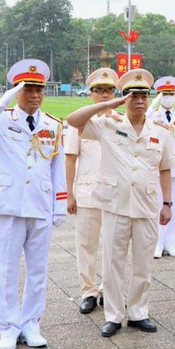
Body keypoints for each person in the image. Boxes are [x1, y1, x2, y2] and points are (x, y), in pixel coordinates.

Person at [0, 59, 66, 349]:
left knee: (37, 270)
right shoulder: (0, 119)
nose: (35, 95)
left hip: (41, 205)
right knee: (6, 270)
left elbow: (58, 167)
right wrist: (1, 101)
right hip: (7, 206)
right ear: (17, 91)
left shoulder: (53, 125)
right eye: (27, 89)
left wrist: (60, 204)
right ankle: (7, 327)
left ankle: (32, 323)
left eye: (39, 90)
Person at [66, 69, 174, 338]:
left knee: (143, 264)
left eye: (143, 95)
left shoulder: (160, 131)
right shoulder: (108, 125)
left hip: (146, 205)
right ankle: (113, 315)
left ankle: (138, 313)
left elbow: (164, 169)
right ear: (124, 98)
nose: (139, 100)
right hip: (115, 204)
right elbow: (73, 120)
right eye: (133, 95)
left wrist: (167, 203)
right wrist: (108, 104)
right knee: (112, 264)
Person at [65, 67, 117, 315]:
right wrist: (69, 193)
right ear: (91, 94)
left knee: (113, 246)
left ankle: (109, 290)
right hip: (86, 193)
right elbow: (70, 158)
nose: (105, 95)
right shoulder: (80, 122)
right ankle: (88, 290)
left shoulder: (121, 121)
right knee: (86, 246)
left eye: (109, 90)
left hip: (114, 195)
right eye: (100, 91)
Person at [148, 76, 175, 258]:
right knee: (157, 207)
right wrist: (151, 107)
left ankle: (171, 243)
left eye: (171, 94)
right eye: (165, 94)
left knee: (174, 209)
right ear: (158, 95)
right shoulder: (152, 116)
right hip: (157, 168)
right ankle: (156, 244)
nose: (169, 97)